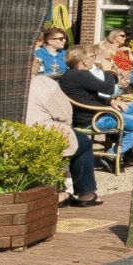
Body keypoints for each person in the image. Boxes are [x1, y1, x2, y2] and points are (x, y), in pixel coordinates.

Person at [60, 43, 133, 162]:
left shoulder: (74, 74)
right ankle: (112, 154)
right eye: (93, 56)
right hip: (93, 119)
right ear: (84, 61)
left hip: (94, 113)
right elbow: (108, 89)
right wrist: (108, 71)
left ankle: (123, 144)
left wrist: (111, 101)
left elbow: (92, 95)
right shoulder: (80, 75)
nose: (95, 59)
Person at [25, 64, 102, 208]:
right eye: (36, 60)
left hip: (8, 136)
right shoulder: (41, 83)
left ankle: (61, 189)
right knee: (83, 142)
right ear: (31, 63)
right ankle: (85, 193)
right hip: (40, 135)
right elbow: (64, 113)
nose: (39, 63)